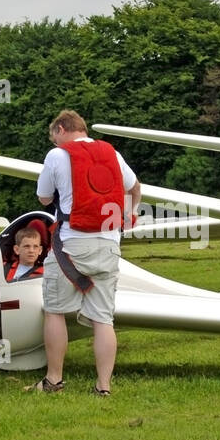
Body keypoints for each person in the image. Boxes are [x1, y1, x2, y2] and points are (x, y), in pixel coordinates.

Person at [30, 110, 141, 395]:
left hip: (71, 243)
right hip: (108, 243)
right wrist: (130, 212)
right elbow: (135, 186)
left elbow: (43, 197)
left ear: (62, 128)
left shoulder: (56, 156)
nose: (55, 143)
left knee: (54, 311)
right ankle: (103, 387)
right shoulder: (111, 153)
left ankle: (54, 380)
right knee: (103, 318)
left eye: (55, 137)